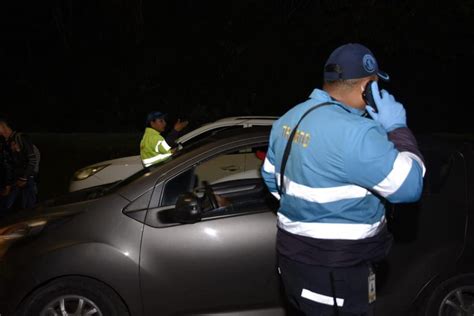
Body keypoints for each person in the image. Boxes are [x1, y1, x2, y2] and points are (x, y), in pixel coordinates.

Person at [262, 43, 425, 315]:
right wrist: (397, 128)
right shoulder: (358, 133)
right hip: (337, 271)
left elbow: (272, 181)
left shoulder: (288, 119)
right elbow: (411, 186)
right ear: (367, 88)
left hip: (293, 260)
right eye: (375, 85)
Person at [0, 117, 41, 213]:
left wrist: (25, 177)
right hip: (17, 178)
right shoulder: (7, 141)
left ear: (2, 125)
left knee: (28, 206)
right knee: (9, 205)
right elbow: (9, 164)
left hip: (27, 177)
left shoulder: (20, 137)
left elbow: (32, 158)